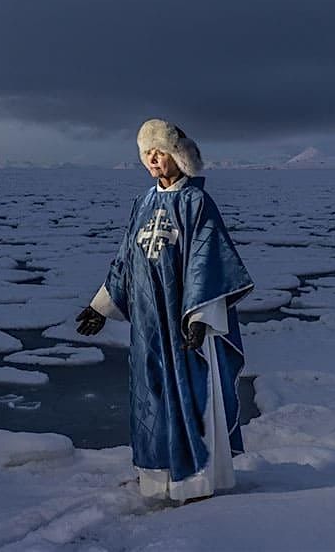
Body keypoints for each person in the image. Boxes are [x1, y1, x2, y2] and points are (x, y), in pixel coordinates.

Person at [76, 118, 255, 504]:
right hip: (147, 324)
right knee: (151, 397)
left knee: (190, 395)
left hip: (184, 322)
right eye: (146, 152)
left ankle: (196, 480)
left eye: (159, 150)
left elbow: (208, 262)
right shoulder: (142, 203)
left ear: (178, 155)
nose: (153, 158)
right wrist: (100, 306)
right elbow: (126, 260)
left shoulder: (196, 202)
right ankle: (157, 479)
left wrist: (200, 318)